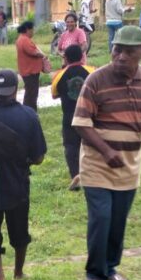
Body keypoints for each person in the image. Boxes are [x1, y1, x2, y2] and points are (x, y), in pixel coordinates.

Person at [72, 26, 141, 280]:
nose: (121, 56)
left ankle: (110, 268)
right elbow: (80, 123)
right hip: (97, 163)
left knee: (117, 221)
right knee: (101, 218)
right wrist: (106, 151)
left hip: (129, 163)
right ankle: (93, 274)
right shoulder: (96, 79)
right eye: (117, 49)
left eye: (129, 51)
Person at [0, 69, 46, 280]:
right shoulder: (29, 116)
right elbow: (39, 158)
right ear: (15, 89)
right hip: (18, 186)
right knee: (20, 232)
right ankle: (18, 271)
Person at [50, 44, 95, 190]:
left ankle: (75, 176)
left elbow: (54, 95)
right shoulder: (92, 72)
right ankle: (92, 175)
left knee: (70, 146)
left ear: (66, 58)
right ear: (82, 57)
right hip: (90, 116)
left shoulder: (59, 75)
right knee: (91, 145)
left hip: (69, 116)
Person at [15, 21, 51, 111]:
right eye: (32, 29)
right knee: (31, 93)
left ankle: (29, 110)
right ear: (28, 30)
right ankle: (30, 111)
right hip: (30, 72)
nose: (33, 32)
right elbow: (33, 52)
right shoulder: (25, 40)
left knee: (30, 92)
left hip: (27, 71)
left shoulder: (21, 39)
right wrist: (43, 55)